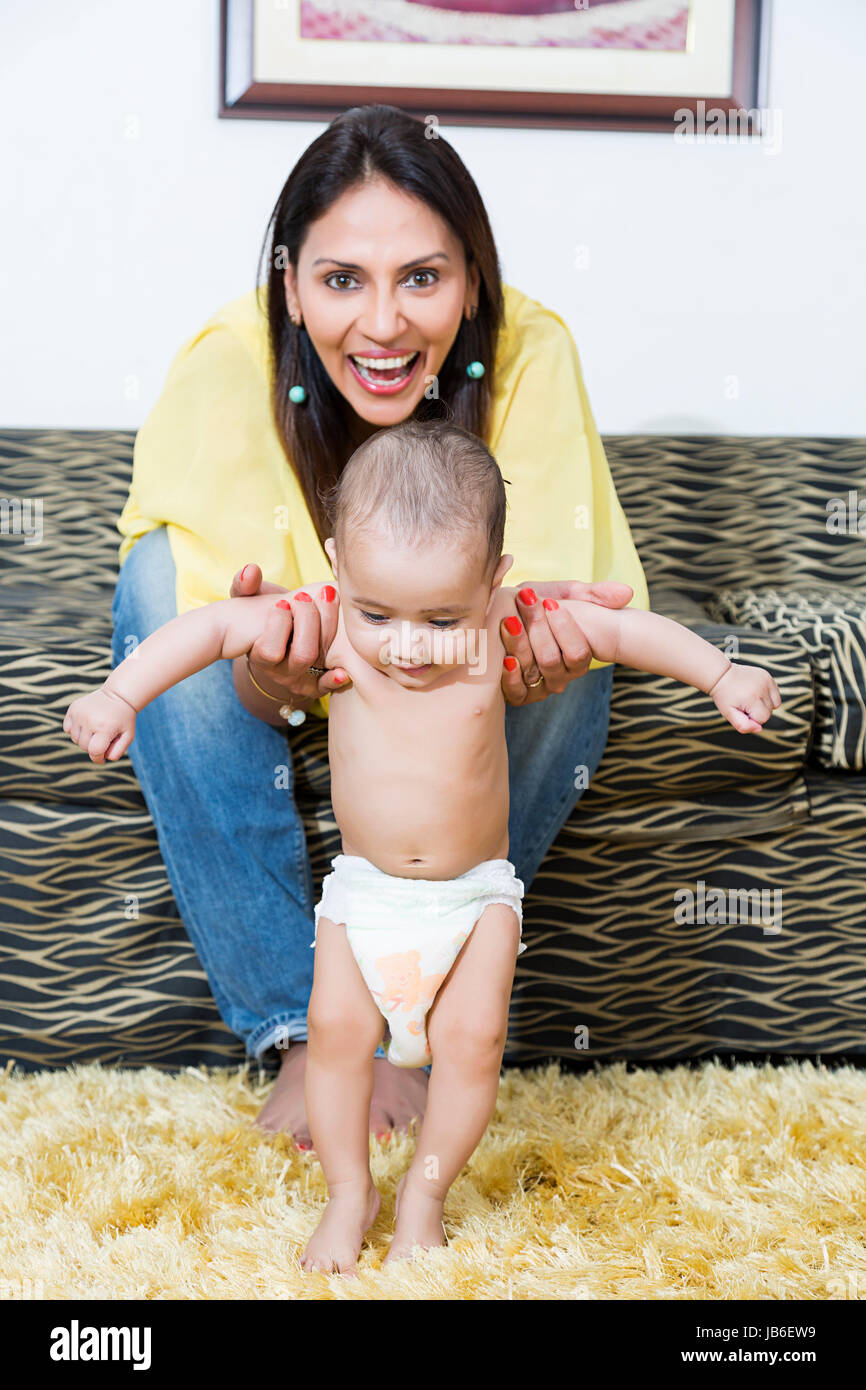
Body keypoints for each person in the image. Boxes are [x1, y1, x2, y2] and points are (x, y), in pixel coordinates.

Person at [67, 418, 781, 1272]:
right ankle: (348, 1193)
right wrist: (120, 694)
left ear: (494, 582)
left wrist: (722, 673)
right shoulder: (329, 617)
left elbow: (624, 634)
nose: (405, 645)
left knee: (473, 1046)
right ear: (337, 565)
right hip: (363, 897)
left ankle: (424, 1196)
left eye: (441, 616)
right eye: (379, 613)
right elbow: (208, 629)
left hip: (475, 900)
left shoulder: (503, 624)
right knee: (334, 1039)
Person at [112, 102, 650, 1149]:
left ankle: (417, 1010)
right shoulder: (228, 361)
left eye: (421, 276)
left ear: (472, 280)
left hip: (461, 681)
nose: (384, 324)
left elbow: (541, 590)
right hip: (307, 667)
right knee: (149, 584)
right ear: (289, 284)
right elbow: (217, 660)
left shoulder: (532, 350)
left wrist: (528, 654)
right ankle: (303, 1033)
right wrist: (266, 672)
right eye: (341, 279)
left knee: (573, 623)